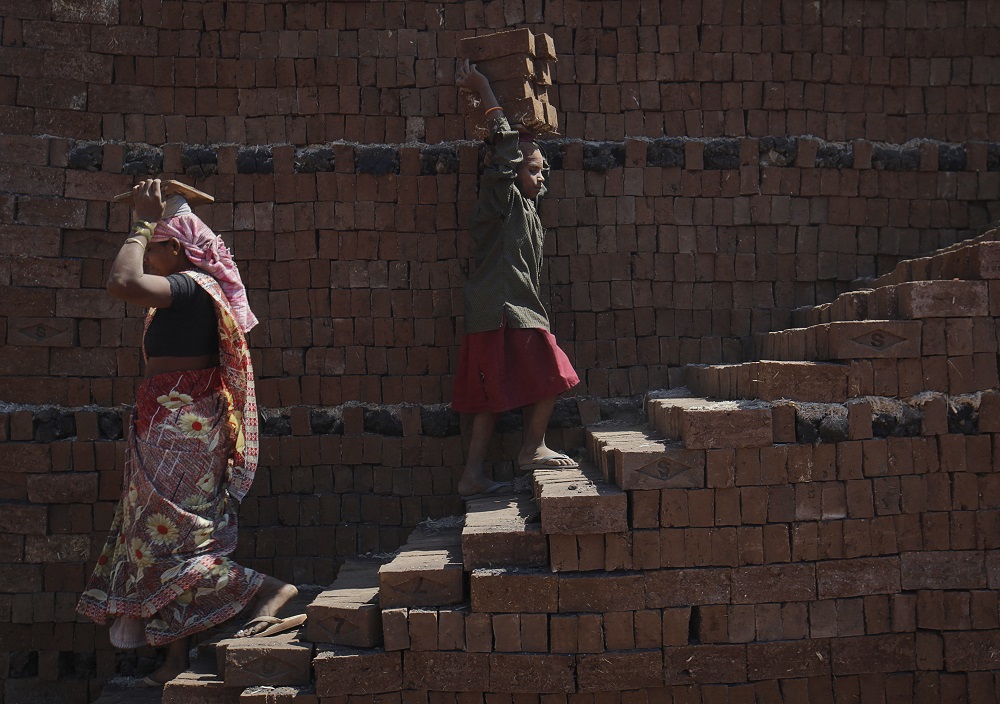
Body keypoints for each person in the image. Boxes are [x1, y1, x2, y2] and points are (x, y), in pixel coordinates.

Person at [76, 179, 304, 687]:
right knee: (170, 537)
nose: (145, 256)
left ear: (174, 247)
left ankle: (269, 591)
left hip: (181, 434)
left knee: (170, 547)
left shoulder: (188, 287)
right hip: (174, 428)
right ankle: (177, 659)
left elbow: (121, 282)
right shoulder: (192, 295)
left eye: (152, 247)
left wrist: (139, 223)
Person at [452, 60, 581, 499]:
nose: (540, 177)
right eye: (533, 170)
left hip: (506, 309)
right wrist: (486, 89)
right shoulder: (500, 198)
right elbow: (506, 148)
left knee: (490, 397)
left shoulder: (527, 208)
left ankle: (472, 476)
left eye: (544, 171)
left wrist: (535, 142)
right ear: (509, 172)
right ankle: (531, 448)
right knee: (554, 367)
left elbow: (525, 166)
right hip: (501, 308)